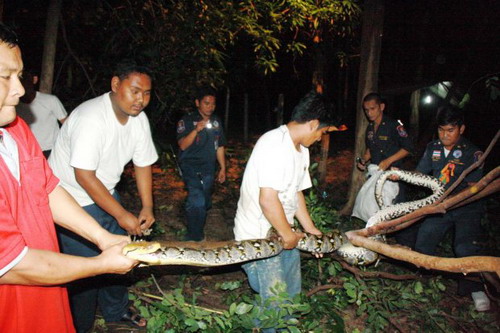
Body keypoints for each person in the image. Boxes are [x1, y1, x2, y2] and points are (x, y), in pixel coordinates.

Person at [0, 23, 137, 333]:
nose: (20, 90)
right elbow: (14, 265)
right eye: (6, 77)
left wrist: (103, 238)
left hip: (47, 292)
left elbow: (47, 189)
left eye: (18, 76)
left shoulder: (16, 130)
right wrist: (100, 265)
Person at [49, 59, 158, 331]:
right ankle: (78, 325)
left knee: (121, 253)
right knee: (86, 269)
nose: (140, 99)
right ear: (115, 84)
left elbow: (143, 163)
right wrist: (121, 215)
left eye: (146, 93)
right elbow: (83, 176)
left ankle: (116, 312)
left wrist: (147, 207)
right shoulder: (91, 118)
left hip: (104, 192)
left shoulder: (138, 120)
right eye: (134, 90)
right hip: (68, 199)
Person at [233, 91, 333, 331]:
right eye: (323, 132)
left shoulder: (301, 150)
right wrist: (288, 235)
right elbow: (267, 200)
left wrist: (310, 230)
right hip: (258, 237)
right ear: (313, 124)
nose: (321, 138)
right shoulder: (273, 144)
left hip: (285, 233)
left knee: (290, 297)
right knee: (275, 304)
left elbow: (296, 193)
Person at [413, 105, 490, 312]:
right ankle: (422, 279)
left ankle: (476, 289)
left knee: (465, 248)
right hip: (440, 207)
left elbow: (474, 187)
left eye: (450, 130)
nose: (445, 135)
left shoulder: (473, 153)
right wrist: (402, 175)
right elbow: (421, 174)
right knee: (424, 240)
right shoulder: (433, 148)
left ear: (461, 129)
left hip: (467, 207)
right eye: (441, 130)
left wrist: (451, 199)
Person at [176, 86, 226, 241]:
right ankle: (195, 236)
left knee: (204, 201)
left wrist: (223, 167)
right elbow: (183, 145)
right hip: (189, 165)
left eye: (213, 104)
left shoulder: (216, 122)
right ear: (198, 103)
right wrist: (196, 130)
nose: (210, 107)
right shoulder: (187, 120)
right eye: (206, 103)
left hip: (208, 168)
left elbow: (220, 146)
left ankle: (193, 213)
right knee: (197, 199)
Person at [16, 70, 67, 158]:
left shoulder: (50, 100)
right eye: (20, 80)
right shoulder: (14, 105)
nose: (23, 83)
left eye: (26, 79)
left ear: (34, 80)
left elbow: (67, 124)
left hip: (51, 150)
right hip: (27, 151)